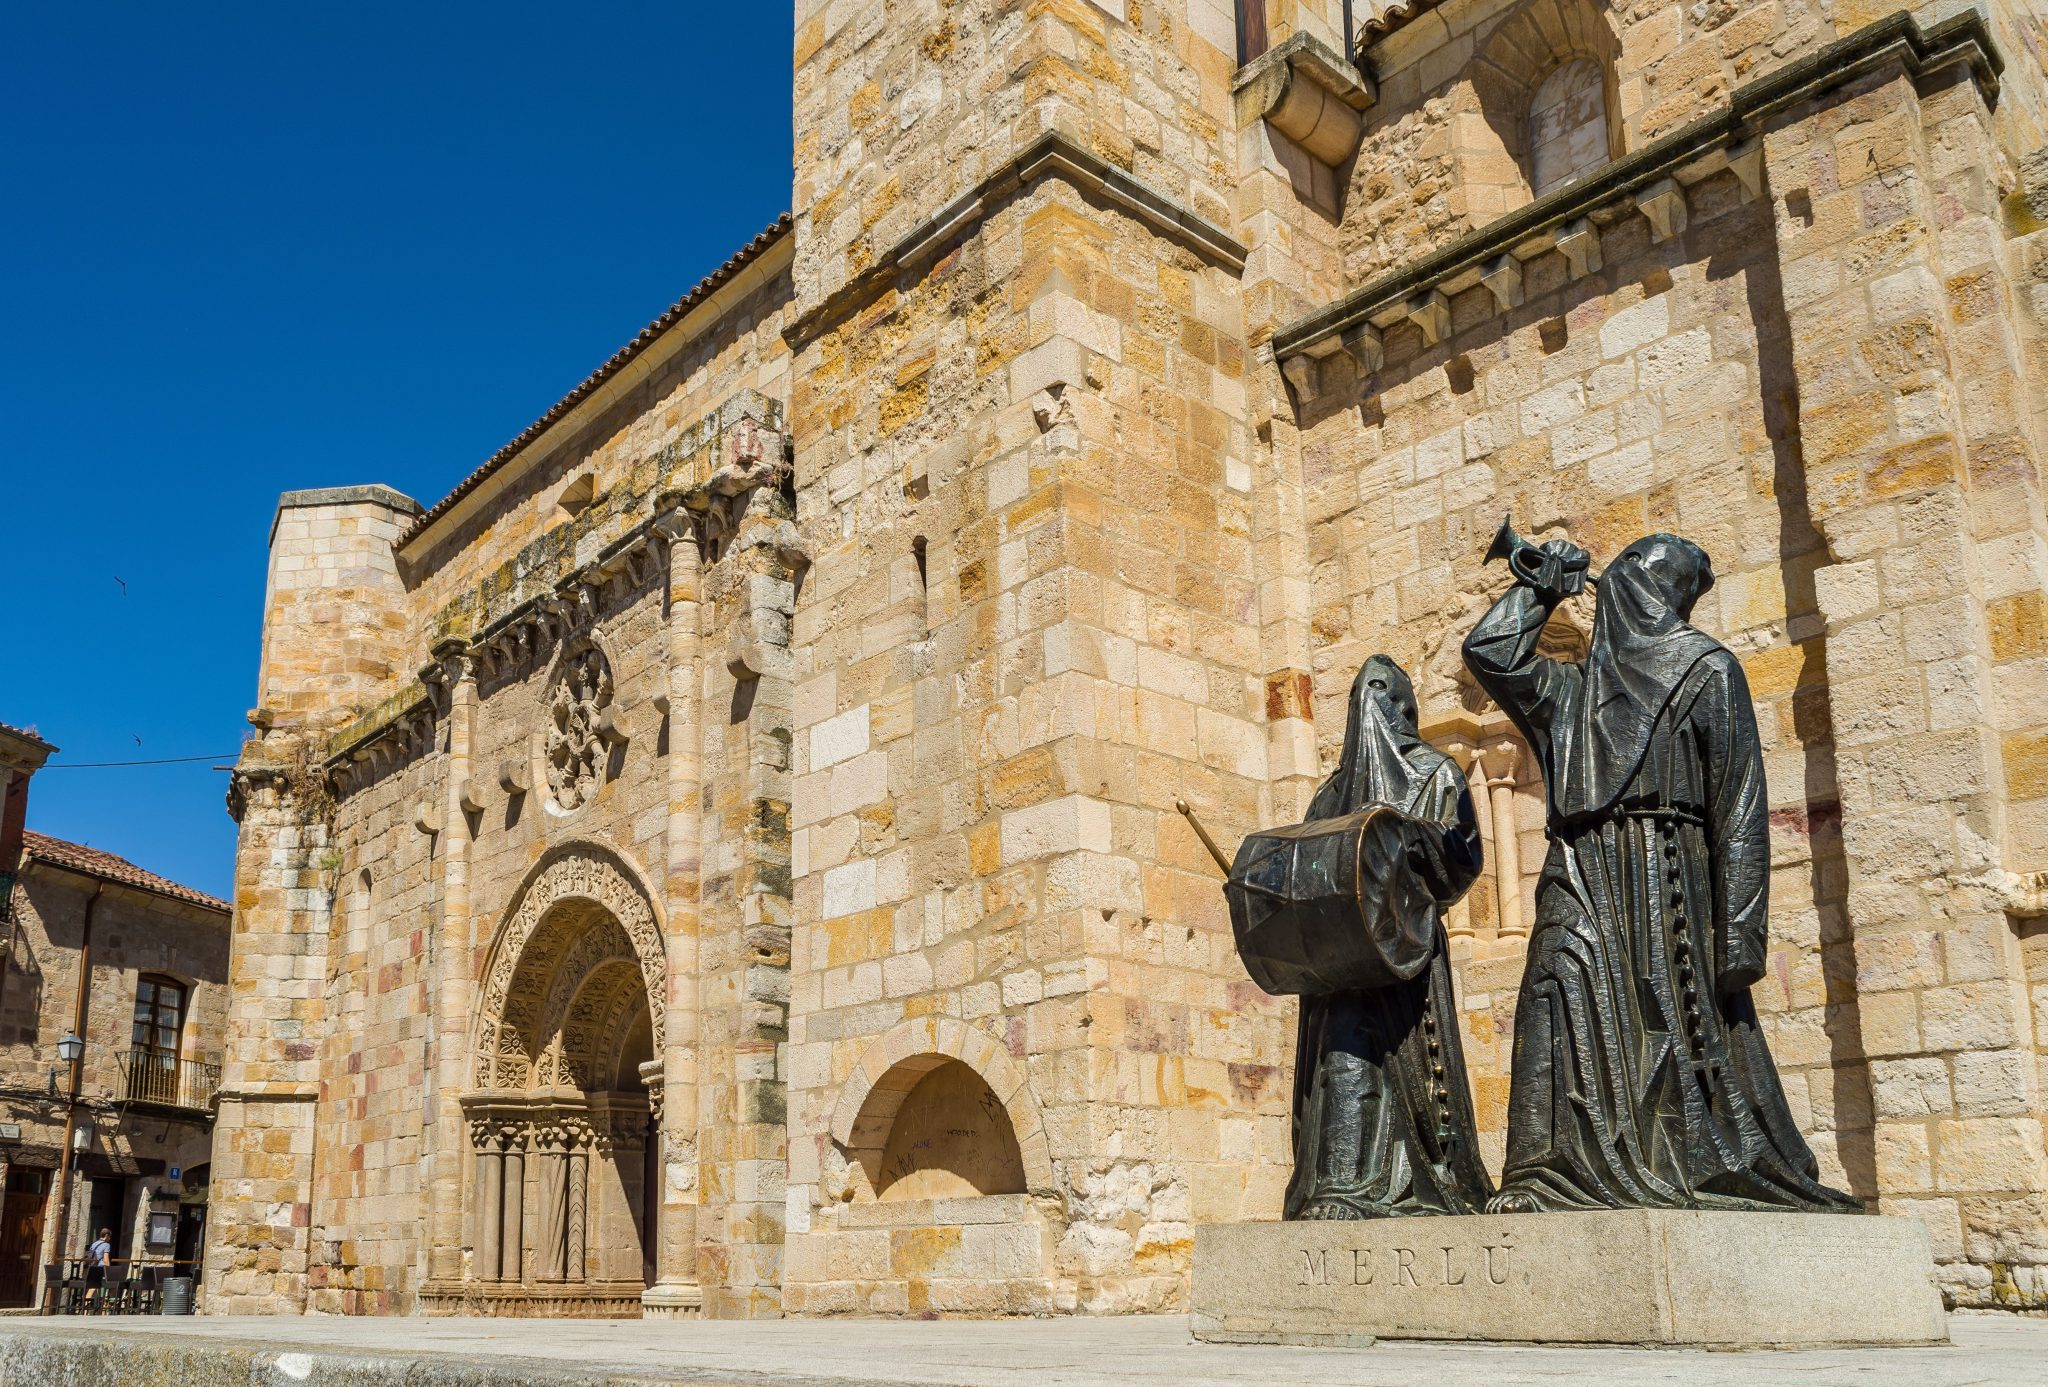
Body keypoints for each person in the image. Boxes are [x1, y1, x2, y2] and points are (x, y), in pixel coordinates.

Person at [1463, 532, 1860, 1213]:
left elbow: (1737, 803)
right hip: (1579, 865)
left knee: (1666, 1025)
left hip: (1669, 874)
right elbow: (1490, 652)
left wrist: (1739, 934)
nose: (1609, 589)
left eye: (1623, 577)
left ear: (1650, 589)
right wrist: (1541, 585)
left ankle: (1678, 1164)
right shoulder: (1572, 689)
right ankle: (1545, 1174)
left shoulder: (1709, 670)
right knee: (1553, 994)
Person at [1231, 654, 1493, 1218]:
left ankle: (1393, 1186)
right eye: (1366, 697)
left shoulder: (1435, 773)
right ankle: (1339, 1186)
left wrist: (1406, 843)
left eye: (1385, 696)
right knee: (1343, 1058)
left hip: (1405, 955)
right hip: (1337, 968)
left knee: (1401, 1067)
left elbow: (1463, 857)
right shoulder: (1330, 795)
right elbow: (1301, 871)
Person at [84, 1227, 112, 1309]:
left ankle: (87, 1307)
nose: (110, 1238)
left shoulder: (94, 1244)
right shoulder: (106, 1245)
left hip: (92, 1267)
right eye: (109, 1236)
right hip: (100, 1268)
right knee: (95, 1287)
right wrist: (109, 1269)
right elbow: (106, 1258)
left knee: (93, 1287)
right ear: (106, 1236)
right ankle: (87, 1306)